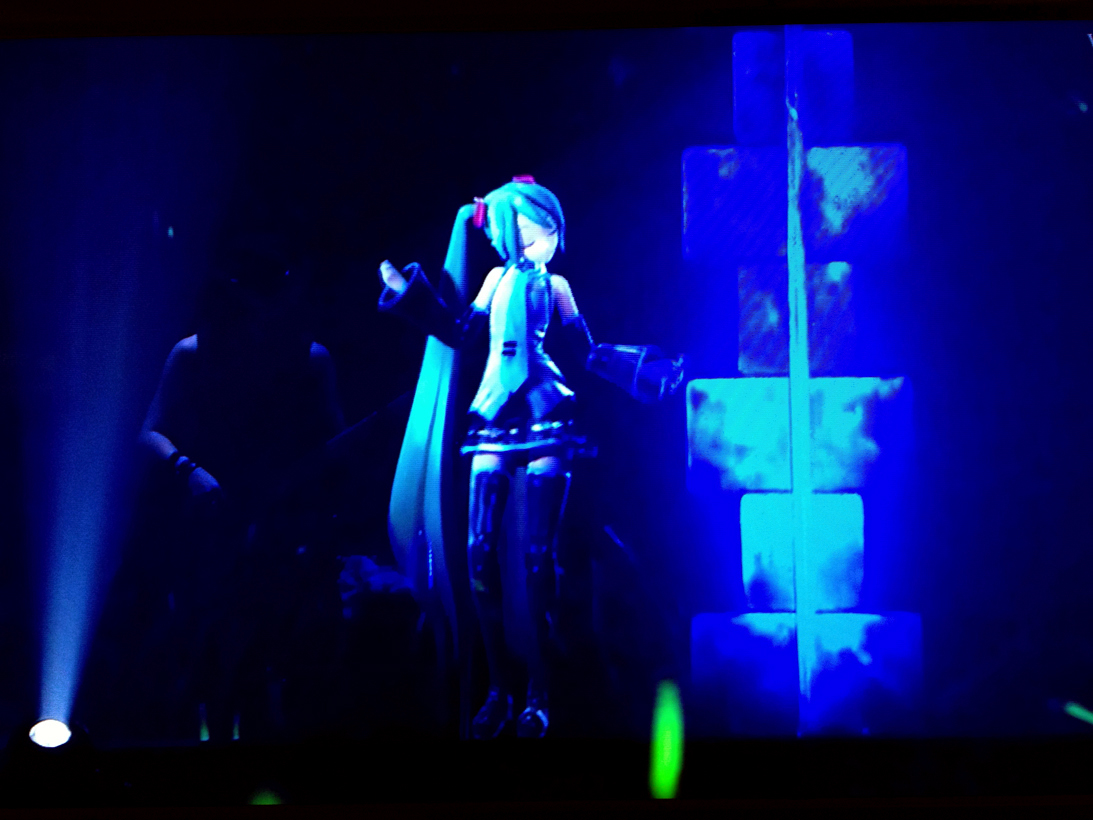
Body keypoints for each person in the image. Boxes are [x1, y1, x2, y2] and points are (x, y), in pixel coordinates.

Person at [377, 177, 684, 739]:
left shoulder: (557, 285)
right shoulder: (494, 281)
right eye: (516, 230)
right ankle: (499, 687)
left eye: (538, 229)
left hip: (546, 411)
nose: (529, 240)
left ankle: (539, 693)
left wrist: (644, 372)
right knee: (479, 555)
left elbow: (586, 351)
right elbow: (460, 332)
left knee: (540, 558)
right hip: (494, 414)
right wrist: (411, 294)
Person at [139, 229, 345, 743]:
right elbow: (150, 432)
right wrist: (191, 472)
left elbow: (334, 446)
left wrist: (301, 495)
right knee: (202, 653)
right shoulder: (192, 353)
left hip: (279, 533)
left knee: (267, 658)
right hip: (208, 528)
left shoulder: (309, 358)